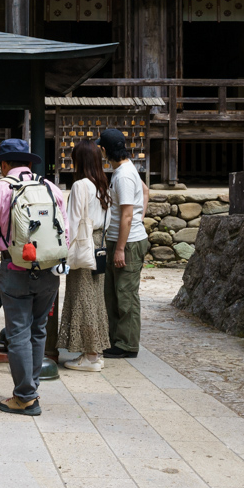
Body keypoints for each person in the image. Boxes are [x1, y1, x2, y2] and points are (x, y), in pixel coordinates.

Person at [0, 138, 69, 416]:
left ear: (4, 165)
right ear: (29, 163)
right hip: (49, 270)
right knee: (38, 330)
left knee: (18, 332)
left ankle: (25, 396)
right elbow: (65, 231)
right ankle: (31, 389)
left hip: (15, 269)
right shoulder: (51, 188)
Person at [60, 142, 111, 372]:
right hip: (99, 244)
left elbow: (72, 221)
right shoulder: (102, 185)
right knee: (95, 298)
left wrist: (64, 250)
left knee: (83, 298)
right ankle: (96, 351)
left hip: (84, 245)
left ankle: (89, 356)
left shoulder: (81, 185)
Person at [100, 127, 148, 359]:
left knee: (125, 293)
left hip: (127, 243)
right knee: (114, 293)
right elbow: (146, 191)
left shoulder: (124, 175)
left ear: (104, 150)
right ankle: (116, 339)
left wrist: (120, 248)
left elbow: (127, 214)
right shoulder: (126, 171)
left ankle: (127, 344)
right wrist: (141, 216)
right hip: (122, 239)